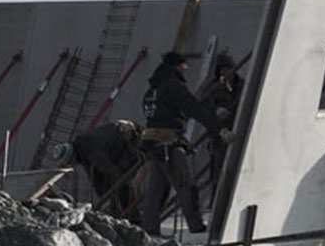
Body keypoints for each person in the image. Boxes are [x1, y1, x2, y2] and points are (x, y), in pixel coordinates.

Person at [139, 51, 220, 234]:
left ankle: (149, 230)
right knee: (186, 187)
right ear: (177, 66)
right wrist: (217, 127)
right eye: (184, 66)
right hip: (169, 145)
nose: (186, 69)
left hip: (154, 146)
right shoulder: (173, 86)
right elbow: (192, 107)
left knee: (156, 190)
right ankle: (196, 226)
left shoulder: (151, 90)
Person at [70, 119, 142, 217]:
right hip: (116, 146)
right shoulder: (84, 151)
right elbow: (97, 178)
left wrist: (106, 199)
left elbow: (110, 172)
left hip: (127, 142)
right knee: (113, 183)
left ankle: (132, 217)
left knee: (122, 183)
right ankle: (120, 213)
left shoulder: (90, 149)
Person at [200, 52, 246, 194]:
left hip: (239, 131)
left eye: (228, 68)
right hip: (220, 135)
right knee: (219, 173)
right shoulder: (213, 89)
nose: (226, 72)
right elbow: (203, 107)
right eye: (222, 69)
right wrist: (216, 110)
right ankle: (217, 202)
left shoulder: (242, 85)